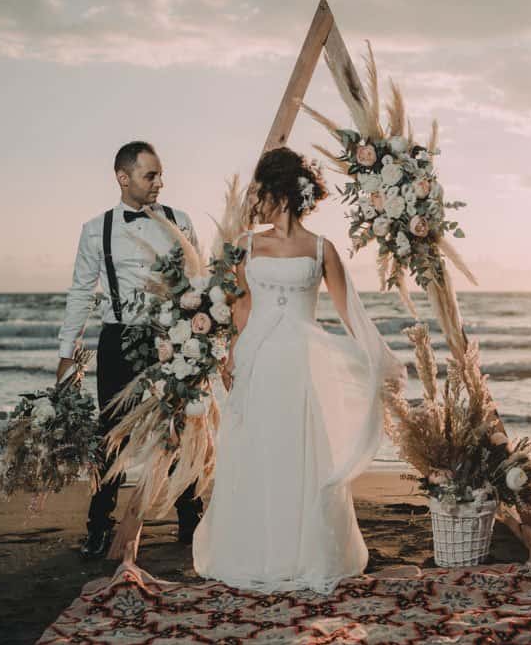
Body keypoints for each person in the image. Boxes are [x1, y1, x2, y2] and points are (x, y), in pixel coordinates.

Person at [191, 147, 406, 593]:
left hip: (303, 365)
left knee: (302, 452)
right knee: (258, 451)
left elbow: (350, 311)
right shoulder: (247, 246)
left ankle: (302, 553)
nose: (257, 201)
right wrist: (233, 355)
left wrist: (377, 356)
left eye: (263, 192)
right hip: (259, 360)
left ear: (282, 193)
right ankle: (256, 551)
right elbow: (241, 307)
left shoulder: (322, 248)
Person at [57, 141, 204, 559]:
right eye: (150, 175)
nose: (160, 182)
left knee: (180, 428)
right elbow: (81, 293)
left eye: (160, 174)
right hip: (118, 340)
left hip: (173, 340)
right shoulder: (95, 229)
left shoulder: (182, 221)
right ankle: (99, 525)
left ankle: (191, 521)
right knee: (111, 435)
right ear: (124, 178)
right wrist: (67, 353)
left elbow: (200, 284)